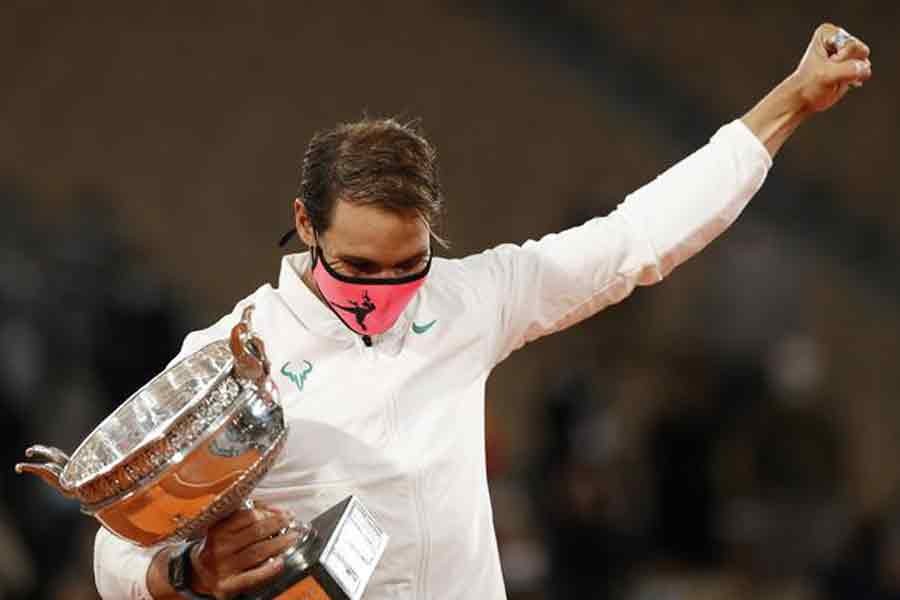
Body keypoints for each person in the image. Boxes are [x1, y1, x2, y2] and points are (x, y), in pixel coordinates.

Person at [93, 23, 872, 600]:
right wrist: (186, 572)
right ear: (305, 224)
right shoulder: (233, 357)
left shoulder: (468, 299)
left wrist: (791, 102)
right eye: (358, 267)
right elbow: (114, 546)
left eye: (407, 264)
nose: (382, 290)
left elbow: (636, 239)